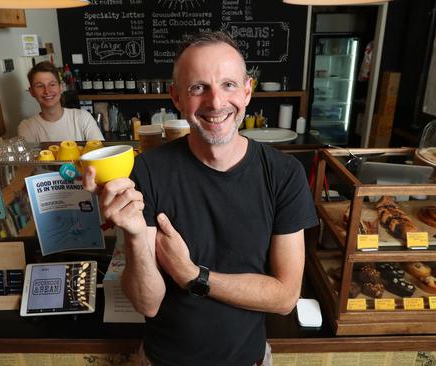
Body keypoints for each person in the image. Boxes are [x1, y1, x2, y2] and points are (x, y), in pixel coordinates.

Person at [83, 31, 318, 366]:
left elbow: (284, 297)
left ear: (247, 91)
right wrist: (135, 235)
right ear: (176, 97)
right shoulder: (147, 172)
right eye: (198, 88)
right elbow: (147, 303)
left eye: (228, 85)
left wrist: (193, 275)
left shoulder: (283, 174)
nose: (216, 103)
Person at [17, 61, 103, 143]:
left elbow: (100, 153)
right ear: (31, 91)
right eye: (40, 86)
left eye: (52, 84)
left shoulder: (83, 118)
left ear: (61, 87)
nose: (47, 91)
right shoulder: (27, 127)